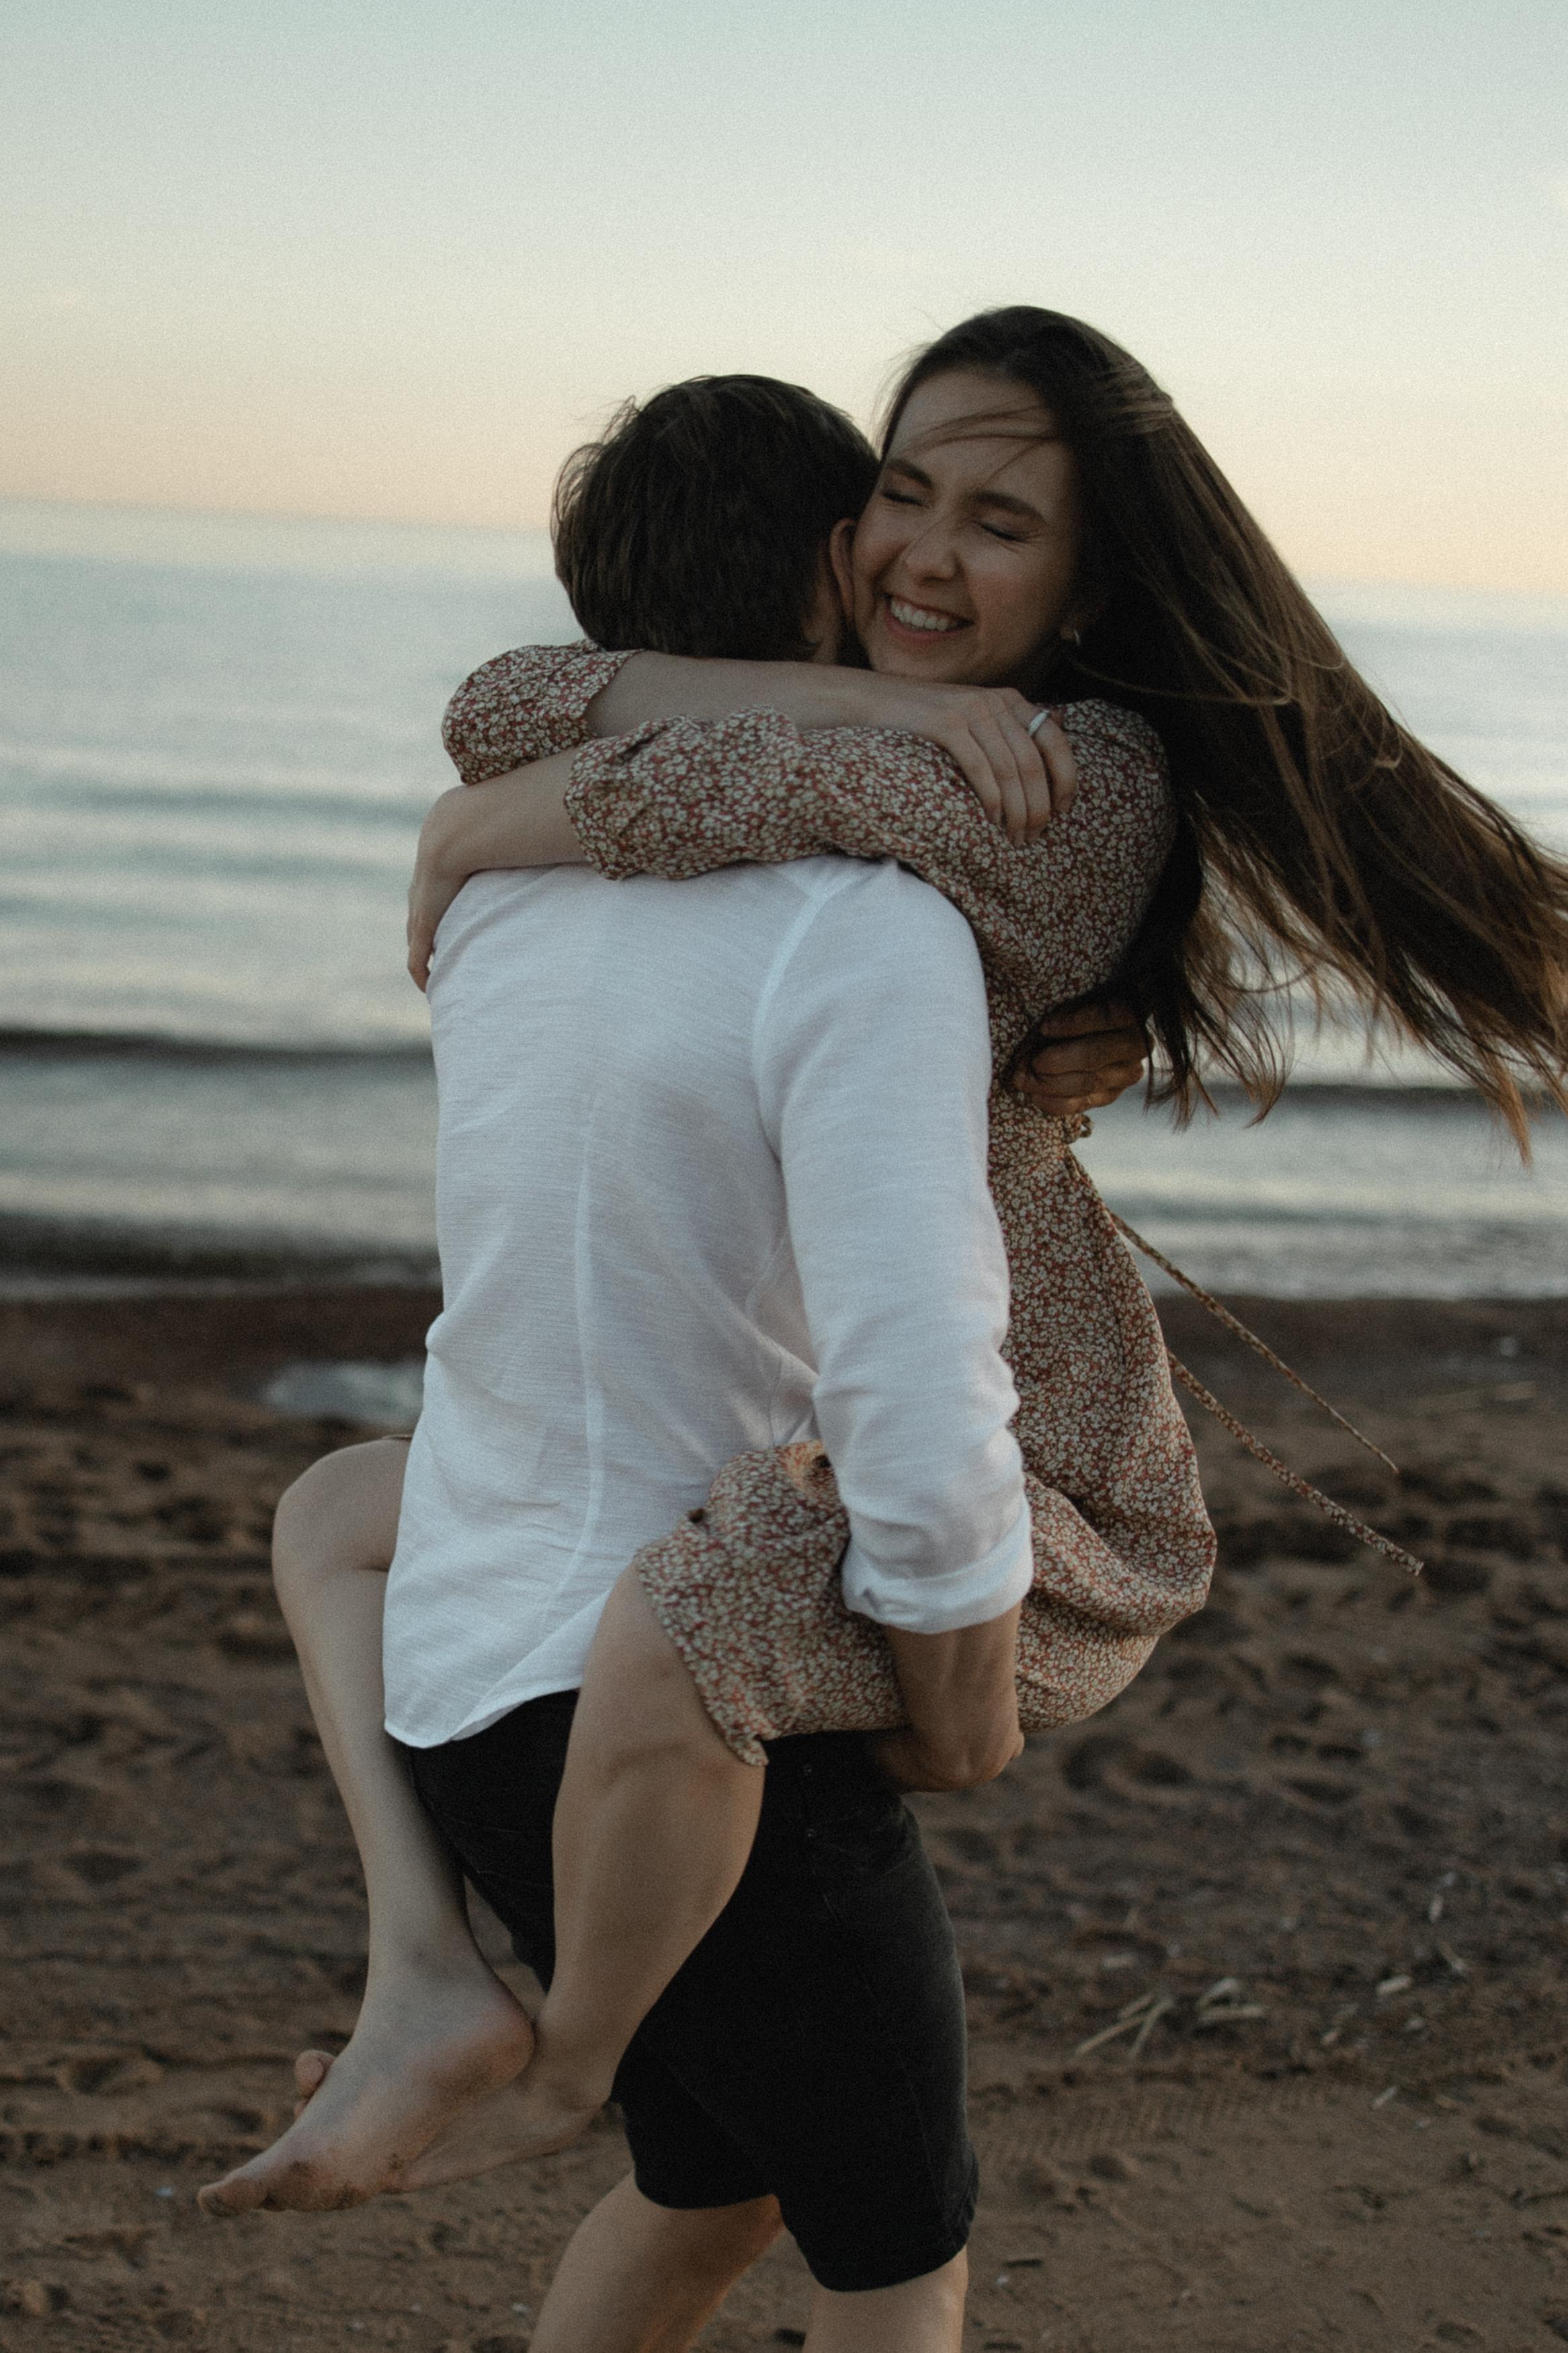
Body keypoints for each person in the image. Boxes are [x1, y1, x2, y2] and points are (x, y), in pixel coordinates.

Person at [206, 316, 1568, 2329]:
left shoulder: (1067, 782)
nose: (927, 553)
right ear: (837, 534)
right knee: (853, 2231)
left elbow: (586, 739)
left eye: (997, 519)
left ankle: (468, 1992)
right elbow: (539, 704)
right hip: (762, 1549)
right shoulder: (875, 833)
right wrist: (588, 775)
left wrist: (500, 823)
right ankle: (497, 2018)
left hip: (781, 1535)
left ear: (1092, 581)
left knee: (734, 2180)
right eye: (899, 497)